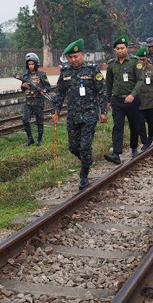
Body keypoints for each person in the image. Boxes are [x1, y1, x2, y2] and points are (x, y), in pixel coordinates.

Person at [53, 39, 107, 190]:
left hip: (89, 113)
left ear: (82, 55)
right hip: (73, 115)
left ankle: (84, 175)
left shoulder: (92, 70)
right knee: (73, 147)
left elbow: (102, 91)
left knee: (85, 146)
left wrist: (103, 112)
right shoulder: (66, 72)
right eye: (70, 57)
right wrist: (56, 110)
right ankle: (87, 161)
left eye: (76, 56)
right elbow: (59, 93)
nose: (73, 60)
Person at [105, 35, 146, 164]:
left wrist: (133, 94)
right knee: (117, 126)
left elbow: (140, 80)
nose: (120, 50)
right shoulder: (112, 64)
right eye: (117, 48)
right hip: (117, 100)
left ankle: (134, 148)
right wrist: (108, 100)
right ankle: (116, 153)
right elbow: (109, 83)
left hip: (132, 100)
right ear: (115, 50)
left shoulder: (135, 62)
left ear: (127, 48)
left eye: (122, 48)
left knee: (134, 124)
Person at [135, 48, 153, 150]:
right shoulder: (134, 70)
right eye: (140, 59)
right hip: (139, 101)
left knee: (152, 122)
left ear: (147, 59)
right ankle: (144, 141)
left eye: (144, 59)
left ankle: (149, 139)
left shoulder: (152, 70)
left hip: (151, 101)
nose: (142, 62)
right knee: (140, 123)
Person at [20, 52, 51, 146]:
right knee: (25, 120)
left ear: (36, 64)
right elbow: (22, 88)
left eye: (32, 64)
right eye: (29, 64)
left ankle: (39, 140)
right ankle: (30, 139)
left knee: (39, 121)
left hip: (38, 101)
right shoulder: (25, 76)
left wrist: (44, 90)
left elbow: (48, 87)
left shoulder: (42, 75)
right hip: (28, 101)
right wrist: (23, 85)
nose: (31, 66)